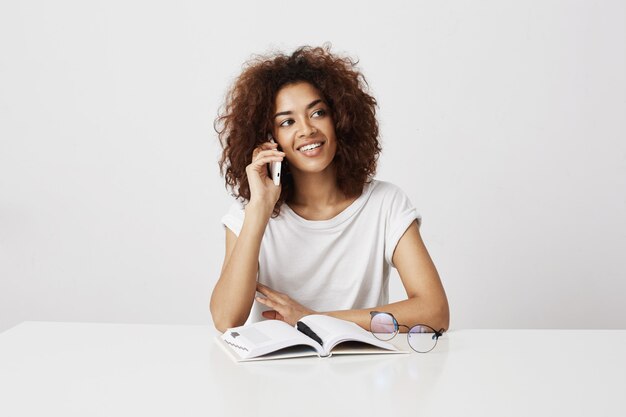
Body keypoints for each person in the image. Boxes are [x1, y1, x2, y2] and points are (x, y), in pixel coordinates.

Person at [210, 45, 449, 334]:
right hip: (273, 375)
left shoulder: (385, 204)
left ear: (340, 119)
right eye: (287, 122)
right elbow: (226, 320)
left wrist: (313, 318)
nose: (307, 129)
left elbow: (434, 312)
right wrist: (259, 209)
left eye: (318, 113)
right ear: (269, 141)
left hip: (361, 372)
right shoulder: (248, 214)